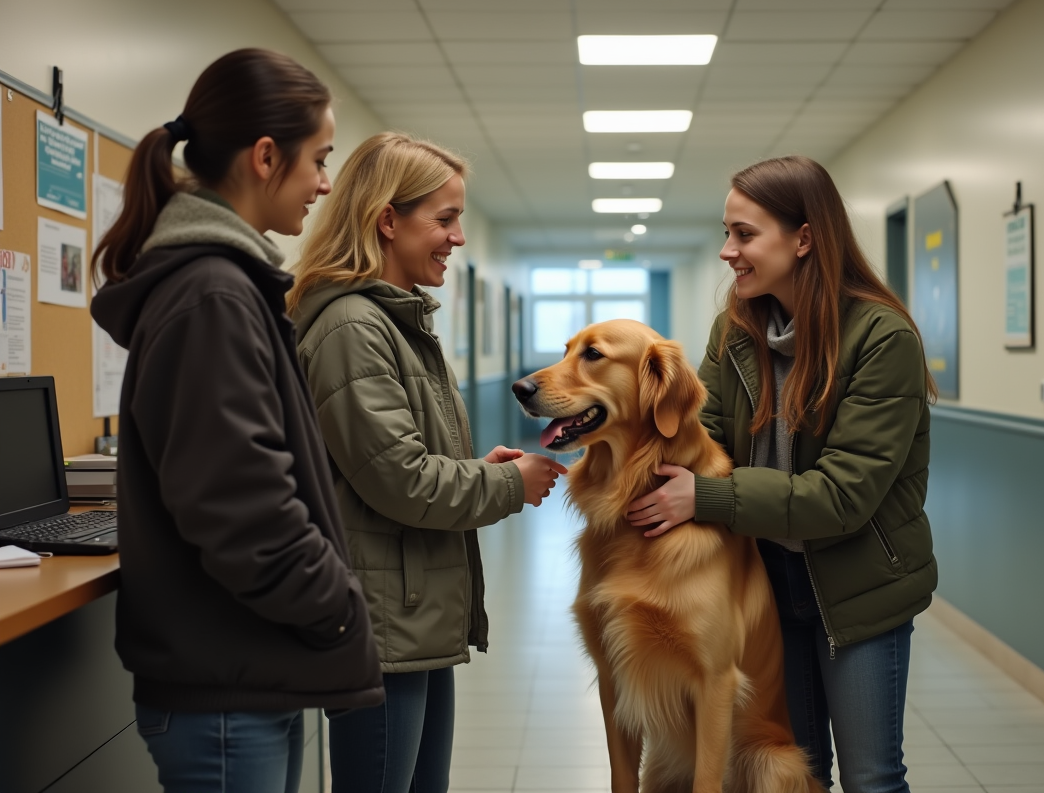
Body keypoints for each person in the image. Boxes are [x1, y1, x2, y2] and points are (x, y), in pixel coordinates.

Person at [90, 48, 383, 793]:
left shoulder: (228, 285)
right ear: (263, 156)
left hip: (247, 671)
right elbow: (242, 508)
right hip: (226, 691)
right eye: (318, 160)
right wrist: (339, 611)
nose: (323, 183)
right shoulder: (213, 296)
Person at [626, 155, 937, 793]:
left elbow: (844, 495)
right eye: (726, 233)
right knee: (797, 771)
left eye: (744, 234)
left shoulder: (883, 339)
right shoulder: (735, 331)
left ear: (803, 239)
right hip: (764, 581)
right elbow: (700, 437)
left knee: (873, 777)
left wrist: (706, 496)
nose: (726, 251)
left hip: (856, 587)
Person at [287, 132, 567, 793]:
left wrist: (477, 466)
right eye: (444, 219)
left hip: (411, 615)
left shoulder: (393, 322)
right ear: (388, 220)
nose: (458, 238)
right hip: (382, 621)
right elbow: (402, 481)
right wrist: (504, 482)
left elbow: (397, 458)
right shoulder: (354, 328)